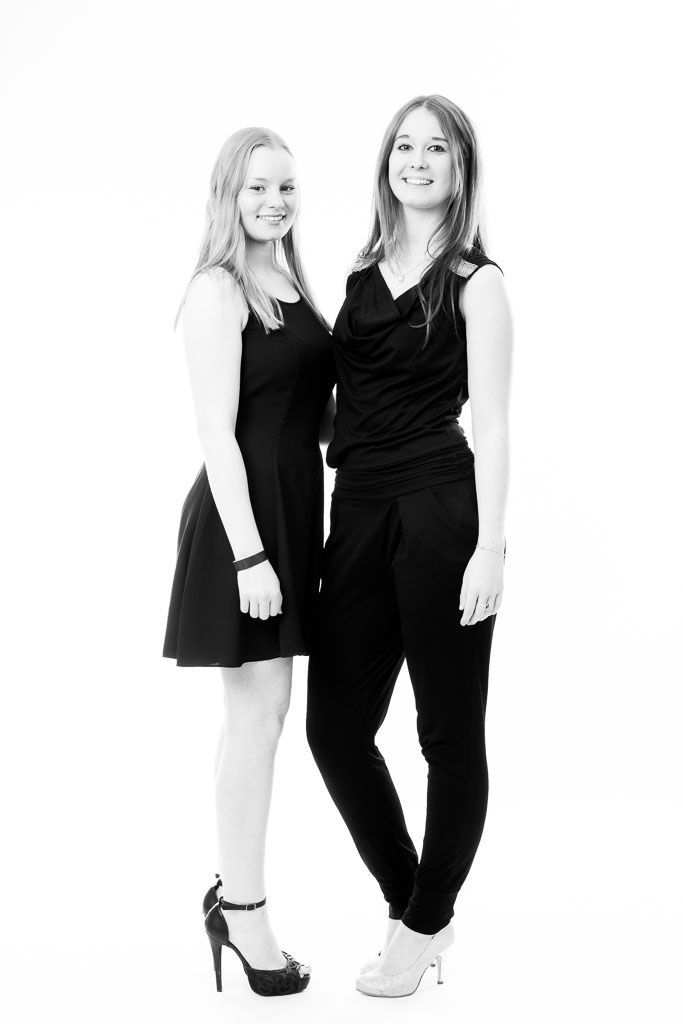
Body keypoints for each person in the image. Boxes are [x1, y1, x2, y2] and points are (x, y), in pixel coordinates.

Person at [306, 94, 512, 998]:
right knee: (334, 728)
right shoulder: (360, 272)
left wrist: (490, 549)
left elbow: (493, 424)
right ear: (385, 161)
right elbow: (338, 408)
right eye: (403, 145)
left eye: (435, 149)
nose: (415, 161)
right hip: (354, 511)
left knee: (446, 733)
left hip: (438, 508)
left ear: (460, 169)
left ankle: (425, 920)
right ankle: (413, 903)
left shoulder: (476, 281)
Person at [163, 127, 335, 997]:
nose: (274, 202)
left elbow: (314, 416)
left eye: (287, 188)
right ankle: (243, 911)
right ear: (227, 194)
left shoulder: (292, 282)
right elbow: (216, 434)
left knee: (261, 717)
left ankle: (236, 900)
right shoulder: (217, 288)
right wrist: (250, 556)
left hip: (292, 516)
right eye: (258, 188)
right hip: (246, 528)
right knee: (258, 718)